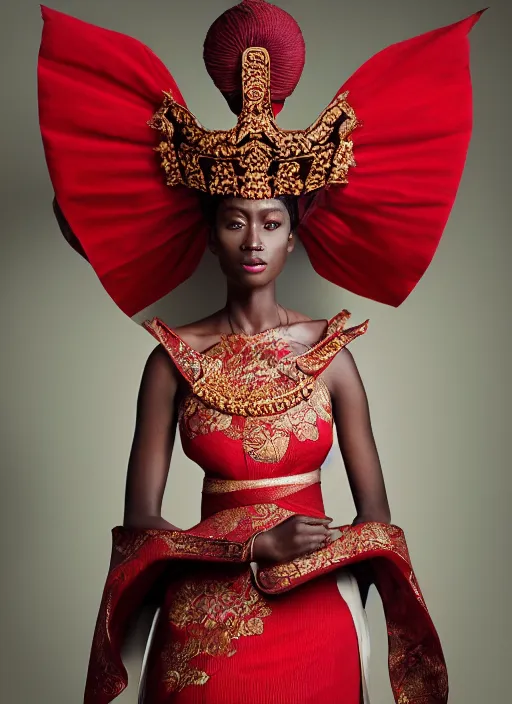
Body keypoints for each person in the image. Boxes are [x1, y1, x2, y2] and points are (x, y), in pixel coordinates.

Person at [37, 2, 483, 702]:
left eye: (271, 222)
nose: (253, 239)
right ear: (211, 234)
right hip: (203, 616)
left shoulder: (333, 356)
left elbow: (377, 523)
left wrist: (325, 569)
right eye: (236, 221)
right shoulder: (170, 360)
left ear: (291, 237)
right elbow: (142, 530)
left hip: (318, 605)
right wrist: (244, 550)